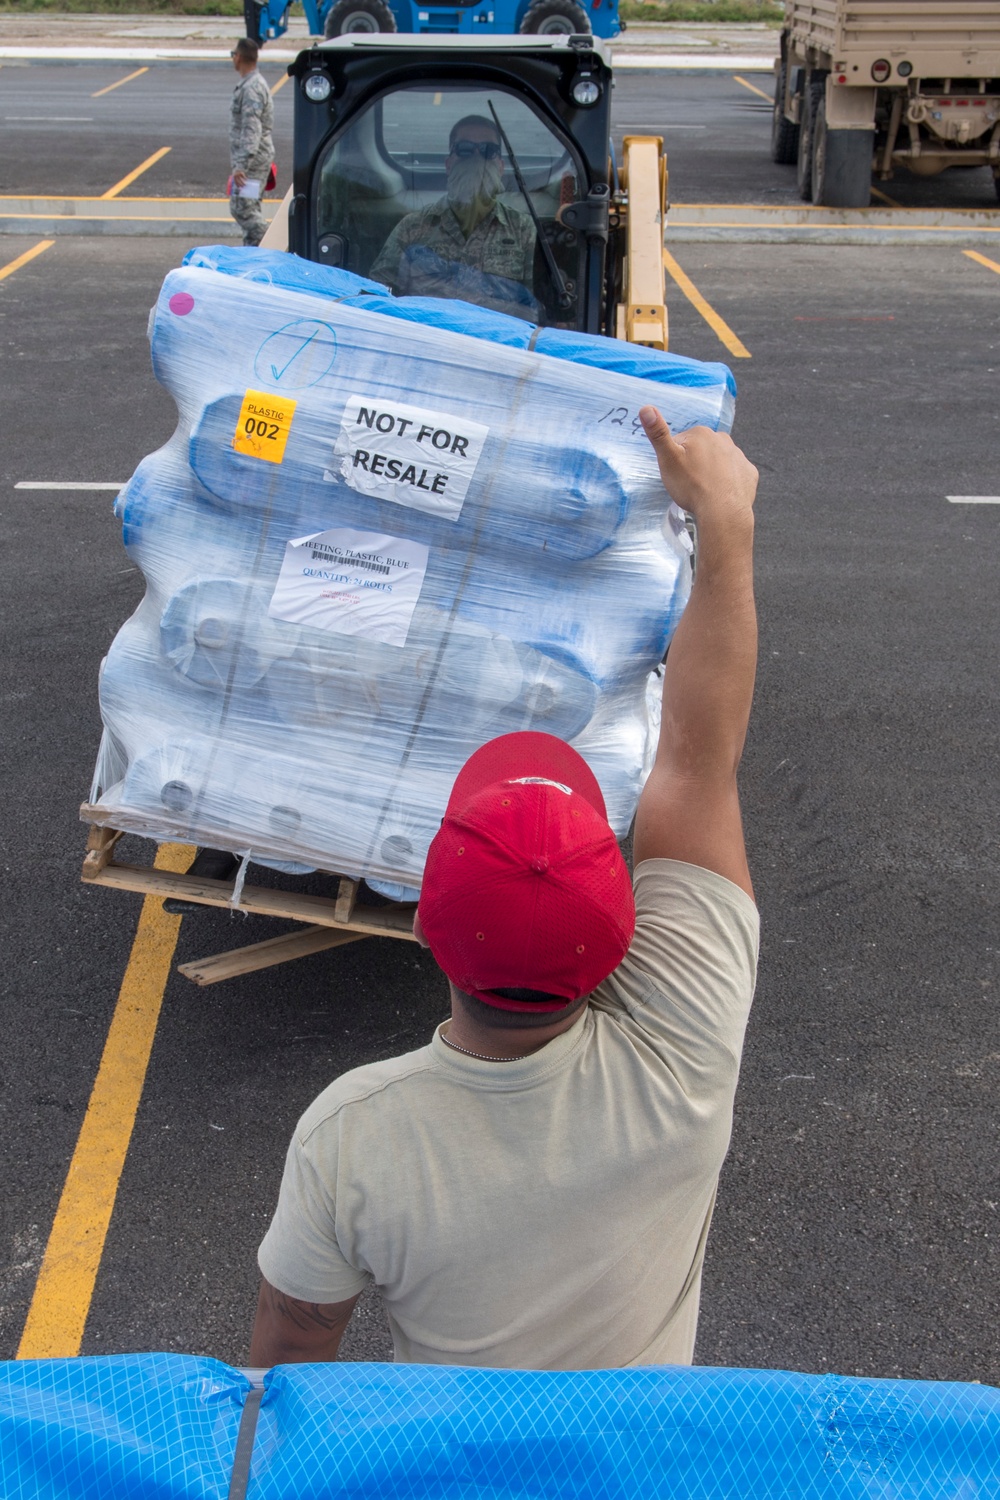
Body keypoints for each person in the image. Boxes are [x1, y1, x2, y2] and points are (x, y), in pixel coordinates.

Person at [250, 408, 760, 1371]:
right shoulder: (683, 1055)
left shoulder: (354, 1134)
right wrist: (725, 523)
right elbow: (697, 764)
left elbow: (284, 1368)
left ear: (429, 927)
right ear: (624, 936)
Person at [368, 115, 538, 316]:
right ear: (448, 164)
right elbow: (376, 297)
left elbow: (538, 310)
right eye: (464, 150)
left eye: (488, 151)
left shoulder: (524, 230)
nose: (476, 159)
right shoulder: (413, 228)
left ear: (501, 167)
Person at [229, 37, 274, 248]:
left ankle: (276, 244)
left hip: (253, 160)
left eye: (233, 55)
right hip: (255, 157)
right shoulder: (252, 84)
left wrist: (241, 166)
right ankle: (253, 256)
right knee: (251, 208)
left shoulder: (251, 88)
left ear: (238, 57)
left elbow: (251, 129)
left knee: (242, 209)